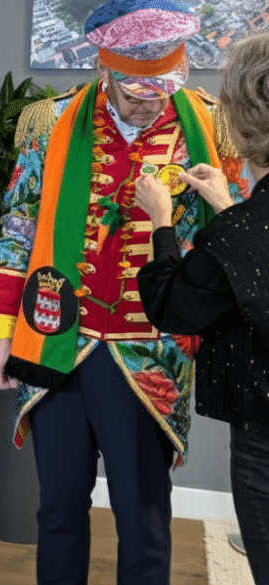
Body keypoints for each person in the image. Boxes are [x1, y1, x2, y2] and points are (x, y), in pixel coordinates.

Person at [0, 1, 250, 584]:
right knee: (57, 512)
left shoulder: (209, 128)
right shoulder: (50, 122)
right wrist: (2, 333)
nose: (150, 102)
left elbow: (239, 239)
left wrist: (215, 203)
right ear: (103, 69)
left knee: (144, 520)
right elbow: (18, 229)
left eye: (162, 88)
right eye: (135, 92)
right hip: (56, 340)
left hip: (149, 353)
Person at [136, 32, 269, 585]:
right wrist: (227, 204)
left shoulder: (240, 232)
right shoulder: (244, 223)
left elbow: (173, 305)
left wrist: (161, 222)